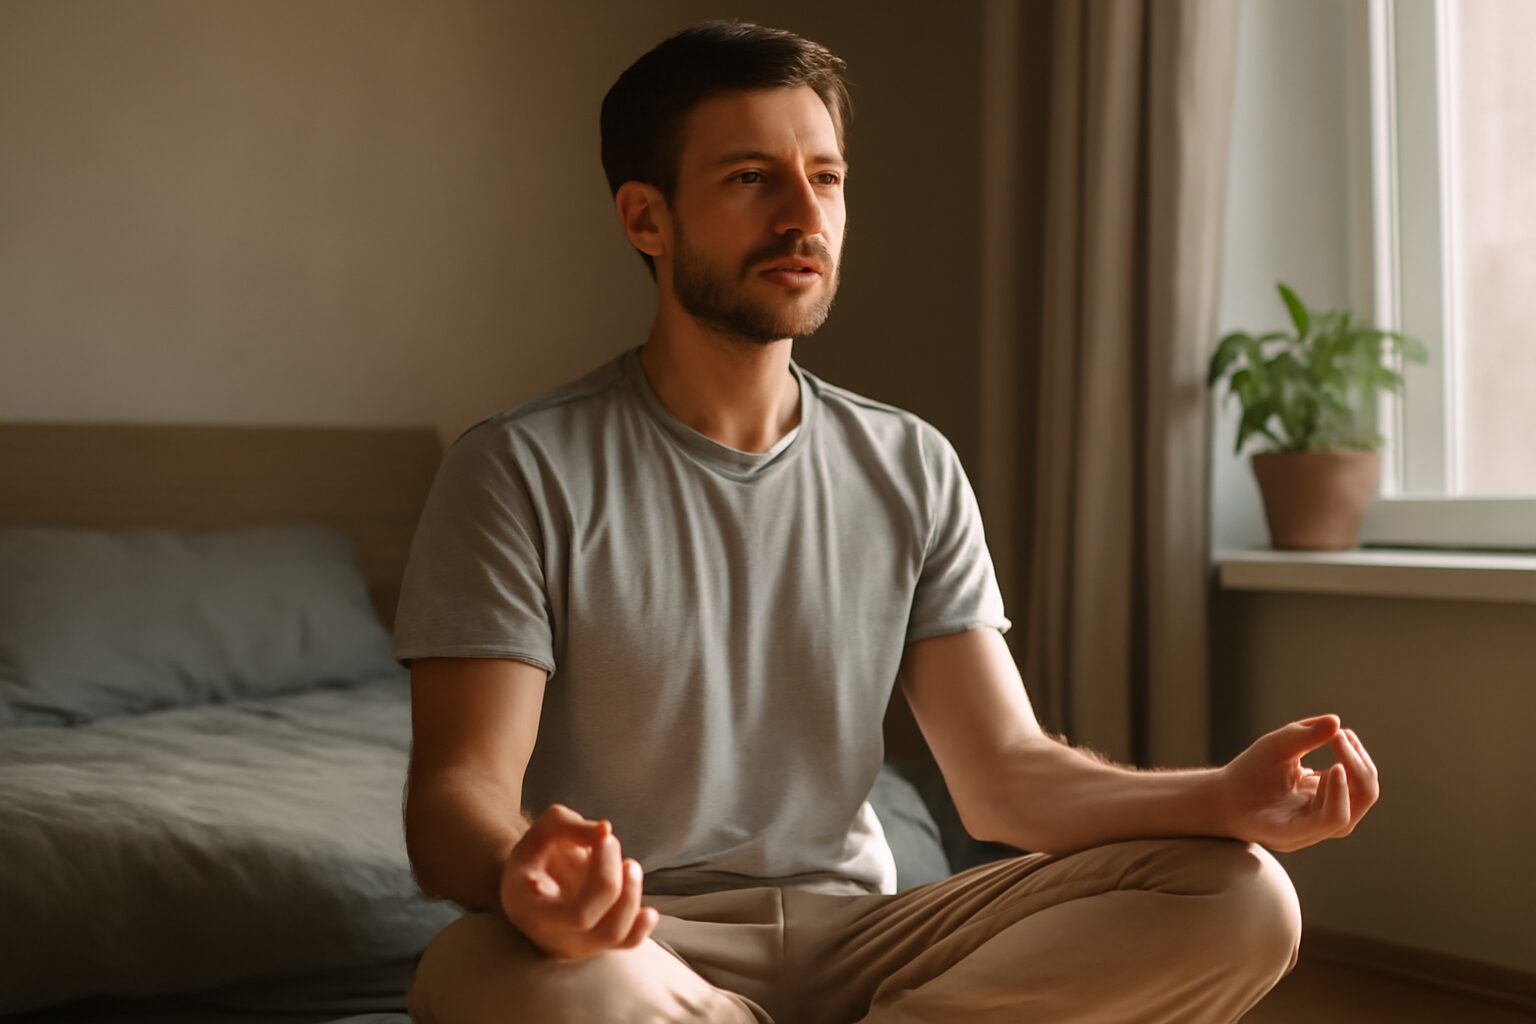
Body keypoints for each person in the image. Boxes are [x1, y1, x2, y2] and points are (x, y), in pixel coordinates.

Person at [391, 19, 1380, 1024]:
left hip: (868, 938)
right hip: (638, 941)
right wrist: (522, 870)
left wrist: (1222, 797)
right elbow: (455, 792)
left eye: (824, 177)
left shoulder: (911, 464)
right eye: (749, 179)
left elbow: (1007, 778)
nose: (802, 215)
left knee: (1244, 896)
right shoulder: (518, 470)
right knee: (471, 972)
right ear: (647, 218)